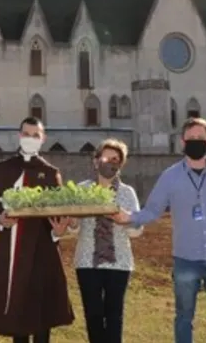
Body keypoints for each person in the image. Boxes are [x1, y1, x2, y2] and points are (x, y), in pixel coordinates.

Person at [112, 117, 206, 343]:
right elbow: (154, 209)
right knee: (184, 318)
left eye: (201, 138)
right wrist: (130, 218)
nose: (196, 142)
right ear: (182, 142)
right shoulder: (170, 176)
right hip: (185, 259)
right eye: (191, 139)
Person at [0, 117, 74, 343]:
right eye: (26, 134)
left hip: (43, 250)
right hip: (12, 248)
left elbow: (59, 210)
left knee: (42, 312)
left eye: (35, 135)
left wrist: (58, 230)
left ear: (43, 139)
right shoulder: (3, 169)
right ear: (19, 135)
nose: (30, 139)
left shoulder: (50, 172)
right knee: (17, 308)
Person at [66, 138, 141, 343]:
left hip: (120, 263)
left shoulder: (127, 193)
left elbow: (137, 230)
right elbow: (74, 230)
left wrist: (124, 220)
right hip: (87, 262)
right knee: (93, 316)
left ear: (121, 163)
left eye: (115, 159)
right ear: (96, 160)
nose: (110, 162)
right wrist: (72, 221)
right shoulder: (82, 190)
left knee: (114, 316)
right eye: (106, 157)